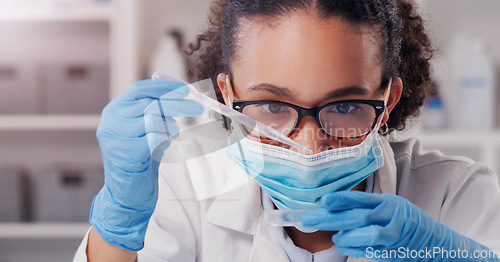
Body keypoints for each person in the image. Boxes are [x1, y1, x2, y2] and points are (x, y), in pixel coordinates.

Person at [74, 0, 500, 261]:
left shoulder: (456, 194)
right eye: (274, 105)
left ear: (386, 101)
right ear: (226, 95)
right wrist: (119, 224)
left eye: (346, 105)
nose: (310, 144)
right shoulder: (182, 195)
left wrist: (450, 255)